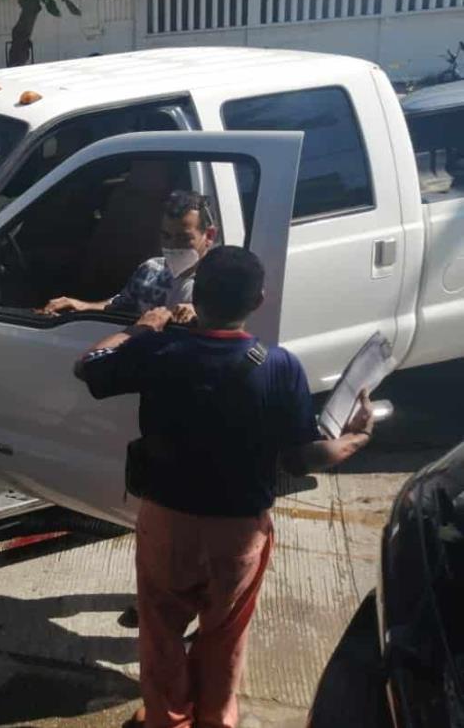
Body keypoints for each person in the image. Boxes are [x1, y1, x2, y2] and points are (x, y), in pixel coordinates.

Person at [77, 246, 376, 728]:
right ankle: (217, 719)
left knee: (161, 632)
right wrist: (356, 438)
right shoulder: (279, 366)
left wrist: (140, 328)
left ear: (197, 296)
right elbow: (302, 458)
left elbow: (89, 365)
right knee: (224, 633)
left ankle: (167, 719)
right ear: (258, 299)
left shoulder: (158, 350)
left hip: (166, 523)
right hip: (237, 531)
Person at [39, 189, 216, 321]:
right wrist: (81, 306)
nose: (172, 246)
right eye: (166, 236)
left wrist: (201, 316)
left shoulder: (219, 284)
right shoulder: (150, 270)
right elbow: (118, 306)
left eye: (183, 238)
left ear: (208, 236)